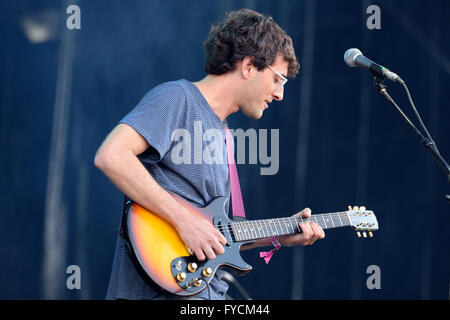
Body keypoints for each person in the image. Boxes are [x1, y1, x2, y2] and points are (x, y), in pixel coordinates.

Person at [94, 8, 325, 300]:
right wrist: (185, 221)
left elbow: (219, 236)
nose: (280, 94)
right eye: (278, 79)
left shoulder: (225, 136)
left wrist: (279, 235)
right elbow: (111, 156)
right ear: (250, 65)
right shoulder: (178, 98)